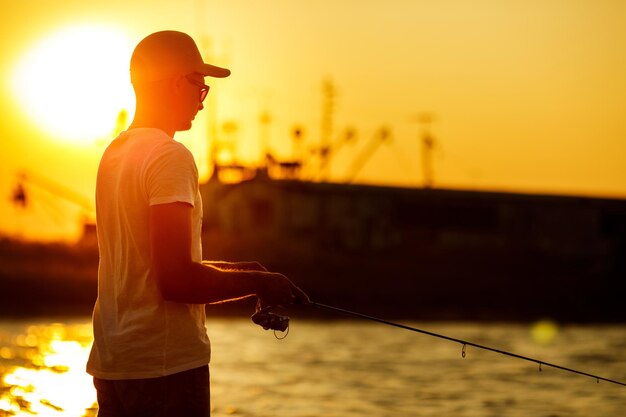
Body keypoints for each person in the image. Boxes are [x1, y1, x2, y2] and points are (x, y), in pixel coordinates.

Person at [86, 30, 309, 417]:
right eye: (200, 87)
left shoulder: (115, 154)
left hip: (114, 366)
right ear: (177, 83)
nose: (202, 102)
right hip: (165, 369)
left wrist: (247, 272)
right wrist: (259, 283)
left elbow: (151, 266)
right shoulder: (169, 156)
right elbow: (175, 280)